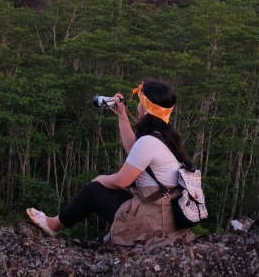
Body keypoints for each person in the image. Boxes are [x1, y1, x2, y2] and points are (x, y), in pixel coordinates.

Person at [26, 78, 195, 250]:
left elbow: (122, 181)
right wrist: (122, 113)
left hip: (152, 222)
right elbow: (134, 149)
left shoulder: (149, 142)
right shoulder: (166, 136)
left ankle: (53, 224)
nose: (137, 107)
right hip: (164, 215)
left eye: (140, 103)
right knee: (106, 180)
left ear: (145, 108)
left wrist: (98, 179)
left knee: (94, 190)